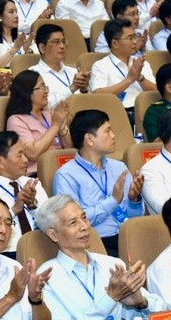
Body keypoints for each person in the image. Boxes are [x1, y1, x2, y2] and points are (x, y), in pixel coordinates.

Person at [35, 194, 165, 320]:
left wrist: (141, 304)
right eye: (73, 223)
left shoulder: (111, 264)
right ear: (53, 234)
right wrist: (111, 298)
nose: (84, 226)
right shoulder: (47, 277)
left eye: (84, 217)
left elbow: (161, 310)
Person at [52, 110, 144, 256]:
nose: (113, 136)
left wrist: (134, 200)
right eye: (107, 131)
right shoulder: (66, 176)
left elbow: (135, 217)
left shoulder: (119, 167)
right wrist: (113, 201)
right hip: (96, 245)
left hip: (130, 238)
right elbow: (74, 222)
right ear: (89, 139)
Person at [5, 70, 72, 175]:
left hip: (63, 169)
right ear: (27, 92)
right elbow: (32, 153)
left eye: (45, 87)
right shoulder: (16, 120)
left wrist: (63, 130)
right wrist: (55, 126)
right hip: (38, 174)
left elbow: (70, 150)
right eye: (41, 87)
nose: (46, 91)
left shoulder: (51, 114)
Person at [90, 19, 157, 116]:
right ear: (115, 43)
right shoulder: (100, 66)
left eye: (134, 37)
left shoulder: (141, 63)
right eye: (130, 38)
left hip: (147, 111)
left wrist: (140, 78)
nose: (134, 41)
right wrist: (129, 80)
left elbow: (156, 91)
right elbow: (98, 95)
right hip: (120, 114)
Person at [29, 23, 90, 107]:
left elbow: (88, 104)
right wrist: (71, 88)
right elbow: (41, 106)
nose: (62, 46)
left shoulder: (74, 72)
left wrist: (84, 89)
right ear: (42, 48)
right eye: (56, 42)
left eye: (63, 41)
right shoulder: (33, 74)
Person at [0, 0, 33, 67]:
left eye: (16, 12)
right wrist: (15, 48)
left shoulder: (21, 37)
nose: (16, 15)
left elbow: (32, 65)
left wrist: (27, 50)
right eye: (11, 12)